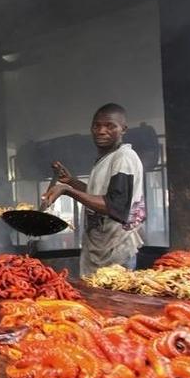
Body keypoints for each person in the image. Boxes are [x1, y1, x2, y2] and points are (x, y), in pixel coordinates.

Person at [41, 103, 145, 276]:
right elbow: (100, 196)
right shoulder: (106, 158)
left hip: (115, 253)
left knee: (113, 302)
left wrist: (67, 191)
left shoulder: (124, 157)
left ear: (123, 129)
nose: (101, 131)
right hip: (99, 249)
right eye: (97, 126)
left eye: (110, 126)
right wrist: (72, 182)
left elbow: (116, 207)